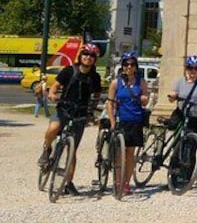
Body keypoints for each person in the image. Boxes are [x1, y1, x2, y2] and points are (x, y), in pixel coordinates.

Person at [38, 43, 102, 196]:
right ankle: (47, 149)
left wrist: (91, 112)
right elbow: (55, 87)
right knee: (53, 129)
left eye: (92, 55)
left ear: (95, 59)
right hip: (64, 109)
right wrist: (53, 95)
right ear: (81, 55)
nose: (88, 57)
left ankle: (68, 183)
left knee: (72, 151)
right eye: (86, 53)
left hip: (80, 114)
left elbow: (97, 95)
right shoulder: (69, 71)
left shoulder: (95, 77)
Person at [105, 51, 149, 196]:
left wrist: (143, 98)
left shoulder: (141, 82)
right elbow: (109, 103)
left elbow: (146, 99)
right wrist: (112, 122)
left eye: (132, 64)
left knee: (130, 154)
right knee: (119, 154)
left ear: (136, 66)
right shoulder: (115, 83)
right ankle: (117, 181)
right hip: (121, 120)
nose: (129, 67)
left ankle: (126, 183)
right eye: (126, 64)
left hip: (135, 120)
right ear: (122, 66)